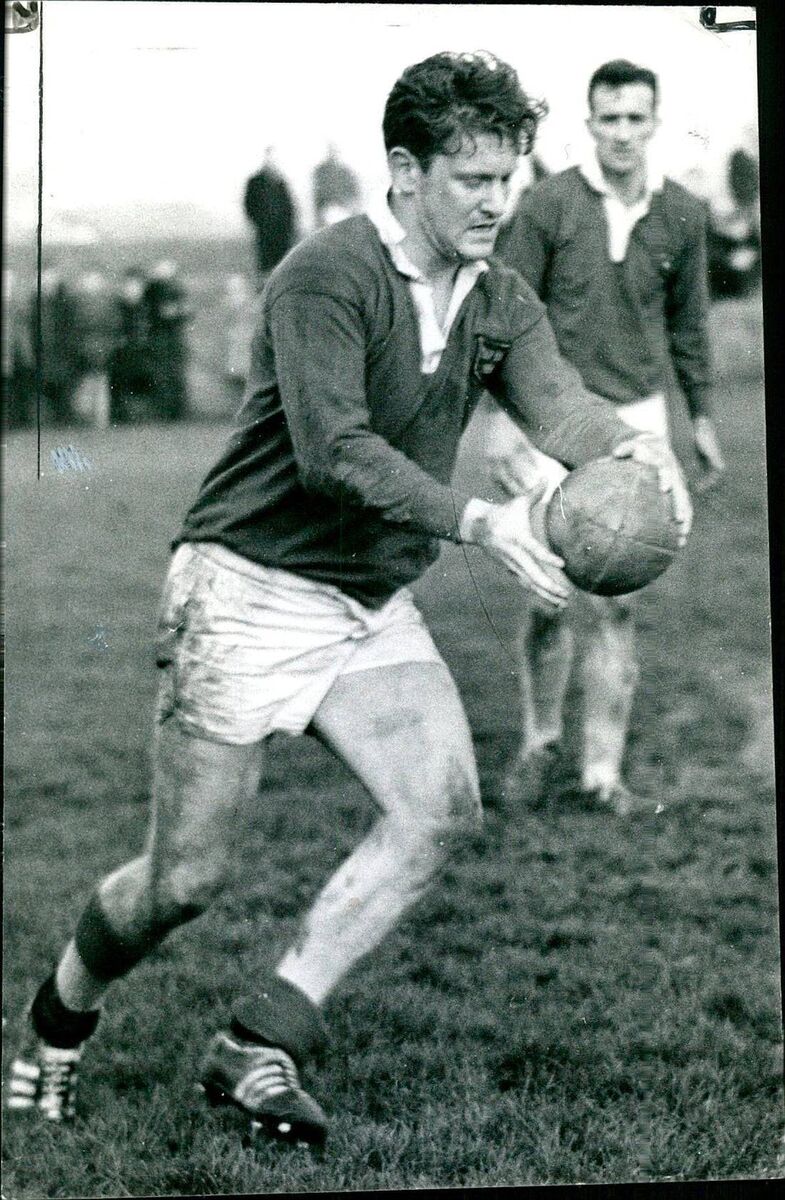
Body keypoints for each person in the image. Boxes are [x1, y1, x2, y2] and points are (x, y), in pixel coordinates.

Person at [6, 51, 691, 1147]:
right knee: (184, 880)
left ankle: (257, 1042)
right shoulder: (323, 273)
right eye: (471, 179)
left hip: (362, 598)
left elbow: (560, 406)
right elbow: (336, 453)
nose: (493, 201)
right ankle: (59, 1017)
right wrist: (480, 524)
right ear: (404, 170)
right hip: (241, 587)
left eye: (506, 177)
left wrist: (631, 465)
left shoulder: (498, 294)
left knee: (437, 809)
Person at [485, 59, 725, 815]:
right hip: (546, 418)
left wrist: (703, 419)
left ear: (654, 122)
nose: (621, 132)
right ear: (588, 124)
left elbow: (688, 324)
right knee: (548, 591)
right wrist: (495, 416)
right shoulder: (548, 206)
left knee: (619, 597)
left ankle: (600, 773)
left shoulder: (682, 213)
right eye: (608, 118)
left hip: (640, 423)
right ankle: (536, 742)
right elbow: (500, 310)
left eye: (634, 118)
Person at [143, 260, 192, 422]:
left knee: (175, 375)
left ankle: (177, 412)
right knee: (162, 375)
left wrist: (176, 312)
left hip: (173, 339)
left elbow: (184, 312)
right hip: (159, 338)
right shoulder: (152, 290)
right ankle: (165, 412)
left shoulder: (176, 290)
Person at [243, 147, 298, 281]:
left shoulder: (281, 182)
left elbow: (290, 207)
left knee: (282, 264)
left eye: (274, 159)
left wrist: (290, 227)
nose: (271, 162)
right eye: (269, 158)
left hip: (282, 232)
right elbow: (249, 204)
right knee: (265, 265)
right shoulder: (255, 182)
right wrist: (258, 223)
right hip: (264, 231)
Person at [108, 267, 152, 424]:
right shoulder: (119, 305)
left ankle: (138, 416)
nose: (134, 289)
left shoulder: (147, 305)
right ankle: (121, 416)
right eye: (130, 285)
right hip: (123, 352)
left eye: (137, 285)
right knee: (121, 383)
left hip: (143, 352)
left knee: (142, 383)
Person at [312, 143, 362, 227]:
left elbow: (354, 193)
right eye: (331, 151)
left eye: (334, 151)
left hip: (343, 209)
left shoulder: (345, 172)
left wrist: (350, 206)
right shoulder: (321, 171)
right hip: (328, 210)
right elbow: (318, 196)